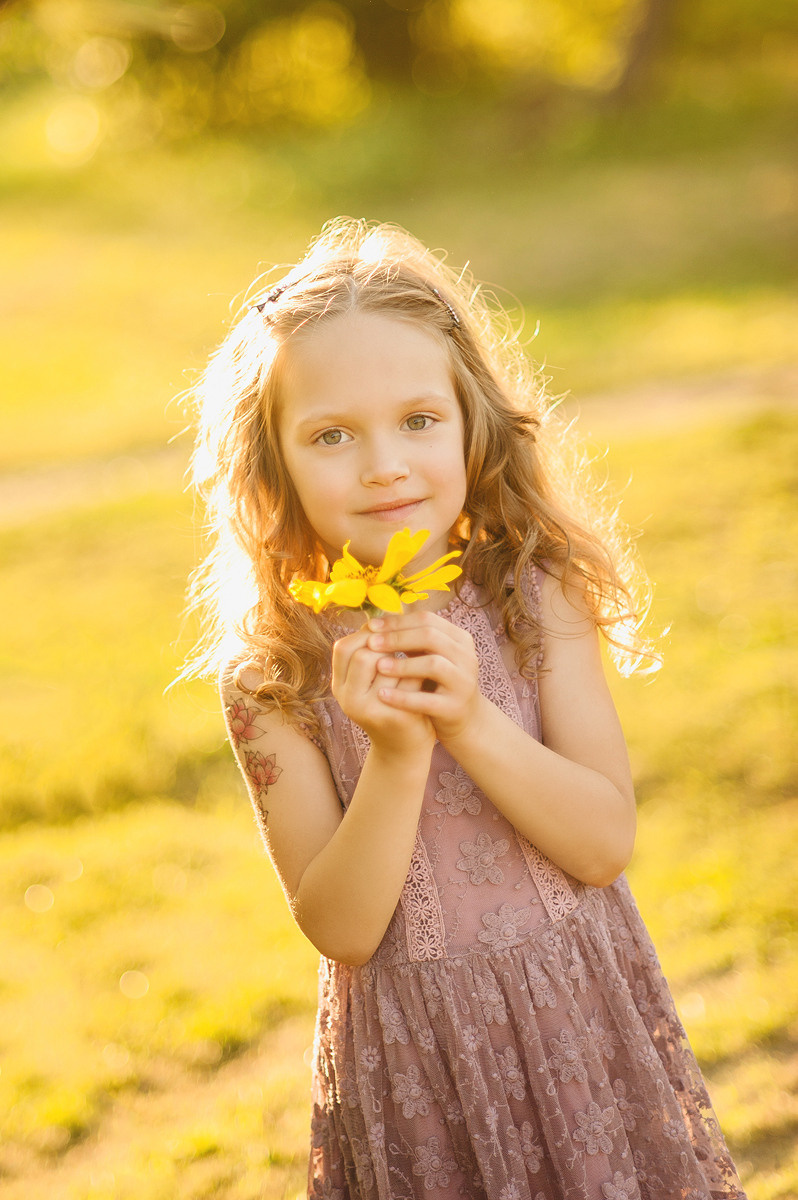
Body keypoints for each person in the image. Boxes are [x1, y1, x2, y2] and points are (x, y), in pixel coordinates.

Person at [184, 219, 747, 1198]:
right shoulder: (274, 671)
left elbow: (602, 842)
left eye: (418, 420)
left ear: (471, 420)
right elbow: (344, 930)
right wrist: (397, 759)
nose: (385, 466)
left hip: (577, 1012)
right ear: (269, 466)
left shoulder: (536, 594)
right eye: (330, 436)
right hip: (421, 1056)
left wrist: (472, 722)